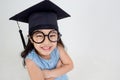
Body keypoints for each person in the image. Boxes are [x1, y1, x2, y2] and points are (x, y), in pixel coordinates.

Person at [9, 0, 73, 80]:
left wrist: (49, 74)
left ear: (57, 36)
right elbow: (66, 66)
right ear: (31, 39)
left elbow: (70, 65)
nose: (47, 42)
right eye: (39, 35)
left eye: (52, 35)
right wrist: (59, 69)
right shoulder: (31, 61)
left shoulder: (58, 48)